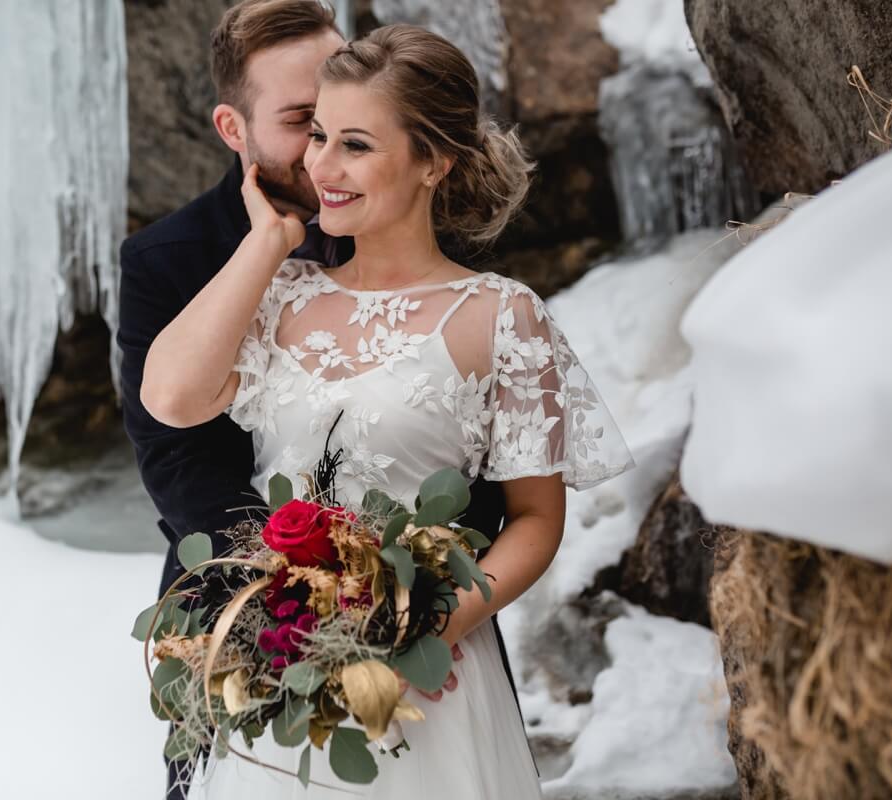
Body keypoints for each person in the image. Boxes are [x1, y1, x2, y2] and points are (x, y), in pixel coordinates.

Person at [140, 22, 637, 799]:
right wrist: (269, 242)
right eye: (318, 136)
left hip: (427, 680)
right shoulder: (279, 297)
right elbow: (169, 397)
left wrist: (421, 633)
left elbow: (536, 520)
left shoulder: (502, 315)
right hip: (281, 667)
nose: (322, 166)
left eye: (356, 145)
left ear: (433, 161)